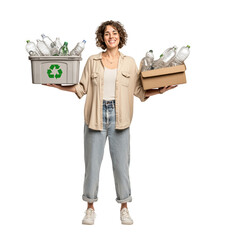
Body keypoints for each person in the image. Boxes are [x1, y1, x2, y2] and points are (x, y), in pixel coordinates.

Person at [47, 20, 176, 225]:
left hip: (120, 118)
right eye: (107, 34)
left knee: (121, 166)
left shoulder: (129, 63)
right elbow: (81, 88)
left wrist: (160, 91)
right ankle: (90, 208)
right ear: (102, 38)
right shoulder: (92, 61)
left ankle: (124, 207)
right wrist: (57, 86)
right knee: (92, 166)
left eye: (114, 33)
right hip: (95, 117)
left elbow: (139, 91)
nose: (111, 36)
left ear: (120, 36)